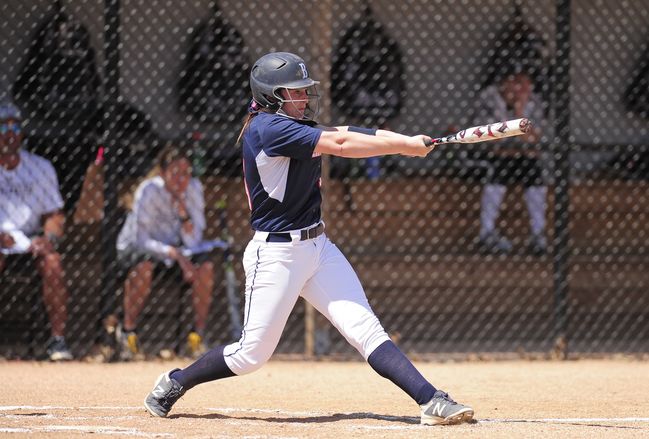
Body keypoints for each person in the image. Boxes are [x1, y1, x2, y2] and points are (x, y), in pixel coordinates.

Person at [143, 52, 474, 426]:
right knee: (250, 355)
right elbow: (344, 145)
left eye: (304, 91)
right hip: (276, 255)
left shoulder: (294, 125)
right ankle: (175, 381)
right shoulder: (267, 128)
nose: (302, 98)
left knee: (365, 329)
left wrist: (408, 141)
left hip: (317, 247)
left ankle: (430, 399)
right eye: (293, 92)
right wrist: (405, 147)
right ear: (270, 95)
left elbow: (350, 132)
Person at [115, 143, 216, 359]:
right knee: (144, 266)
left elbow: (194, 239)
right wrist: (174, 254)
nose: (182, 179)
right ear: (163, 173)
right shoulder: (149, 190)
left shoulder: (194, 188)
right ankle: (127, 333)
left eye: (186, 173)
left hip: (176, 253)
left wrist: (183, 213)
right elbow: (141, 240)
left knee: (206, 267)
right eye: (176, 173)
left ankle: (197, 337)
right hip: (138, 249)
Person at [0, 101, 73, 361]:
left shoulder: (40, 167)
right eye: (3, 127)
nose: (10, 132)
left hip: (27, 239)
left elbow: (54, 214)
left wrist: (48, 238)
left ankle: (58, 341)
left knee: (53, 263)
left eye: (15, 126)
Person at [472, 68, 547, 255]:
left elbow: (535, 140)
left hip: (523, 158)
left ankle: (538, 234)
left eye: (527, 84)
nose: (524, 90)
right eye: (518, 83)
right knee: (500, 166)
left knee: (534, 169)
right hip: (489, 156)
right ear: (506, 83)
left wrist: (520, 111)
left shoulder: (534, 101)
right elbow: (490, 138)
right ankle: (486, 232)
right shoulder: (489, 98)